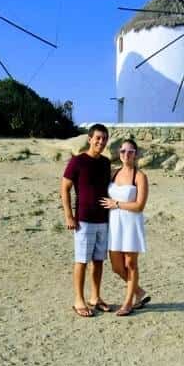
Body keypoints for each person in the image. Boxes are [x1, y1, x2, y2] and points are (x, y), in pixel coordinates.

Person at [61, 124, 112, 317]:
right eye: (98, 138)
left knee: (98, 261)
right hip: (84, 220)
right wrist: (69, 216)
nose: (101, 141)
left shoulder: (106, 163)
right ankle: (78, 300)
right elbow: (64, 188)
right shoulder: (77, 161)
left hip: (103, 219)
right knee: (81, 260)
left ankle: (95, 298)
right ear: (89, 139)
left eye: (104, 138)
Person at [100, 138, 150, 316]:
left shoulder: (140, 176)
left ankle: (128, 303)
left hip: (130, 223)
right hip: (114, 224)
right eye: (123, 151)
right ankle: (139, 292)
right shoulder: (113, 173)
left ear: (136, 154)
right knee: (116, 267)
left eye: (130, 151)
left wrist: (117, 204)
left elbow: (139, 206)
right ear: (119, 153)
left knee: (131, 264)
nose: (126, 154)